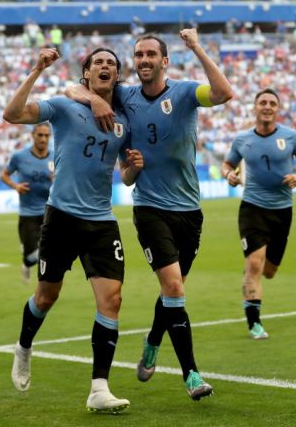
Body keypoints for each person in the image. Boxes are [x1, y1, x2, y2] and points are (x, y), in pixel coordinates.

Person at [66, 29, 233, 401]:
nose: (143, 60)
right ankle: (191, 373)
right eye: (138, 55)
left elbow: (223, 93)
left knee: (174, 291)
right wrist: (93, 99)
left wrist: (197, 46)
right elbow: (70, 88)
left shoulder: (186, 92)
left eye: (150, 55)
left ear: (164, 61)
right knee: (173, 287)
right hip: (149, 208)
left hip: (189, 210)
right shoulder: (124, 95)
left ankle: (154, 340)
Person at [3, 47, 144, 414]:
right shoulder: (65, 106)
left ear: (117, 75)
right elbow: (12, 113)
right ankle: (23, 347)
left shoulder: (123, 121)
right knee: (46, 297)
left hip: (100, 220)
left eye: (111, 64)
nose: (105, 66)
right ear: (86, 73)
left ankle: (99, 388)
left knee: (112, 301)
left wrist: (133, 169)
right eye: (98, 62)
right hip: (62, 216)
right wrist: (36, 68)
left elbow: (125, 177)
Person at [221, 88, 296, 340]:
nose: (267, 106)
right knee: (254, 263)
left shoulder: (291, 137)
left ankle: (253, 277)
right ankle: (255, 324)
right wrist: (229, 175)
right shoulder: (242, 140)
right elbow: (227, 164)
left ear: (277, 109)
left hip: (282, 210)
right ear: (255, 107)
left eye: (272, 103)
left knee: (269, 270)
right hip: (252, 207)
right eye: (262, 102)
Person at [0, 122, 53, 284]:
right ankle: (26, 263)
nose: (43, 139)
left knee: (50, 251)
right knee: (31, 257)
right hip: (28, 213)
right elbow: (4, 175)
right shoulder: (19, 157)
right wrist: (15, 186)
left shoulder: (55, 156)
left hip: (50, 211)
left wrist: (57, 180)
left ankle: (46, 285)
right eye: (40, 135)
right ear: (33, 136)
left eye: (46, 136)